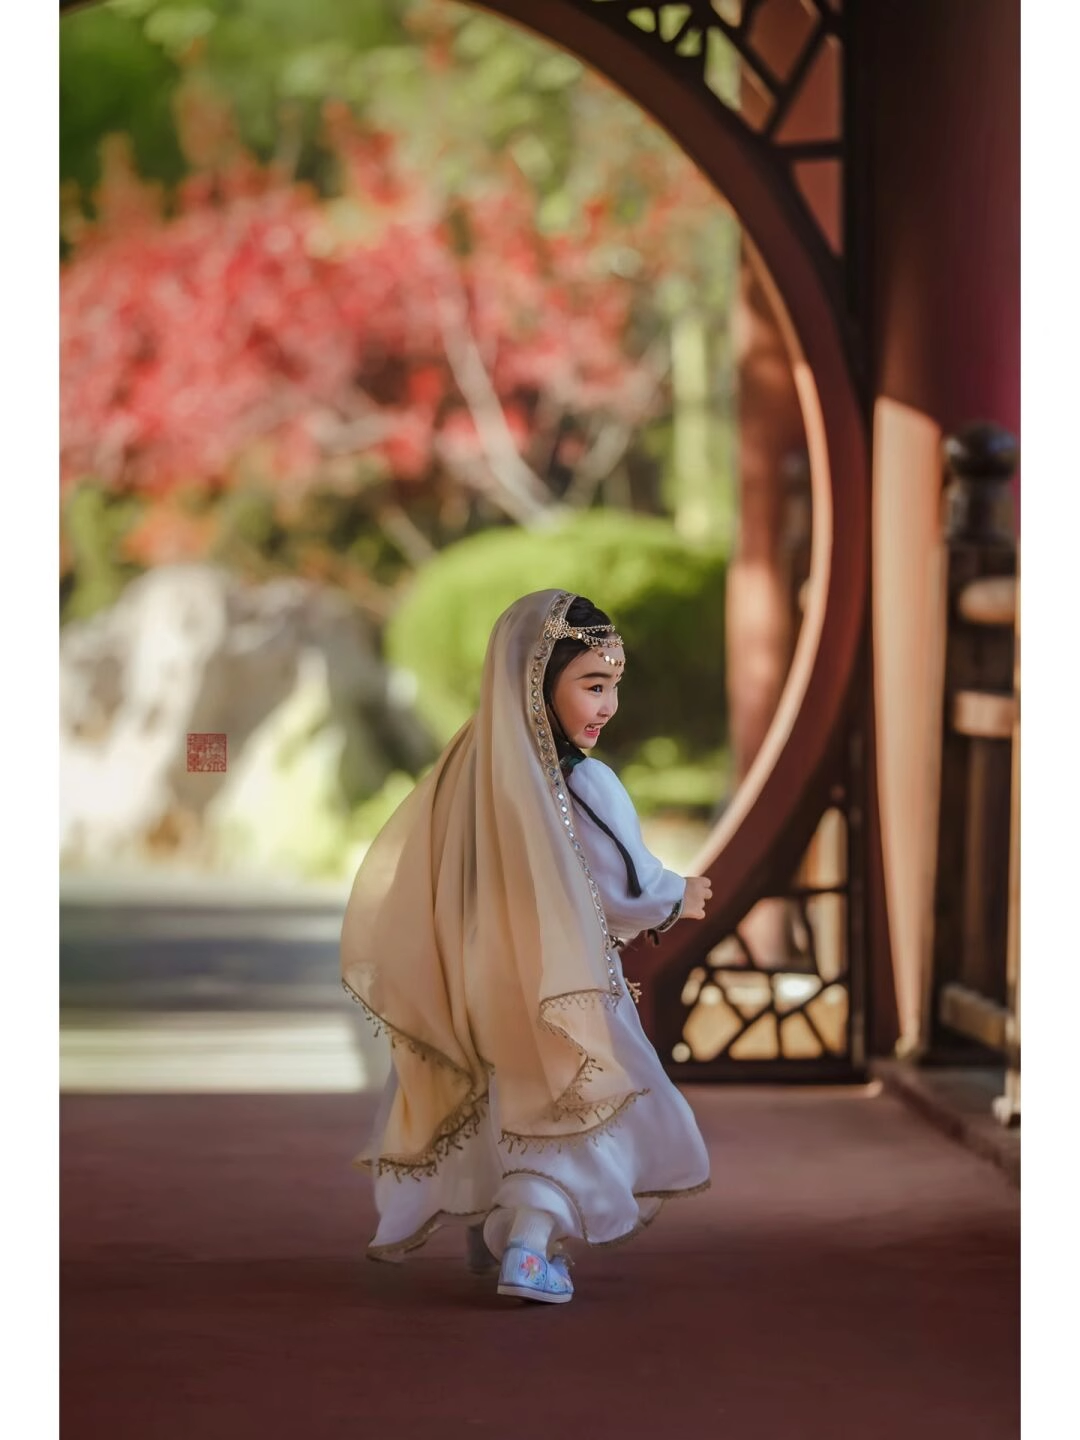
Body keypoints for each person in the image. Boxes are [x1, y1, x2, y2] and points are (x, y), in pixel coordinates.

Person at [341, 589, 713, 1305]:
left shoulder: (467, 770)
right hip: (550, 975)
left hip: (472, 970)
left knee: (496, 1097)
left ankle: (490, 1227)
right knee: (568, 1108)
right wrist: (679, 894)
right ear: (538, 683)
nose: (608, 706)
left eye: (613, 686)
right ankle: (529, 1249)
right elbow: (622, 883)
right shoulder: (581, 780)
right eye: (592, 685)